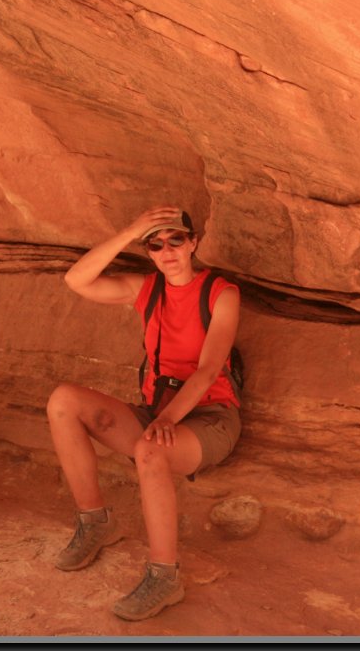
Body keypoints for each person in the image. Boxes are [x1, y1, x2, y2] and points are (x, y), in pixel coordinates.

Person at [47, 206, 242, 621]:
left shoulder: (220, 293)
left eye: (176, 240)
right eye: (155, 244)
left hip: (209, 418)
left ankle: (164, 577)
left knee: (150, 450)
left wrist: (168, 419)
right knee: (63, 401)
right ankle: (95, 522)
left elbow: (208, 371)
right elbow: (76, 280)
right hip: (157, 412)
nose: (167, 251)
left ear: (193, 243)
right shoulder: (147, 290)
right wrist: (130, 230)